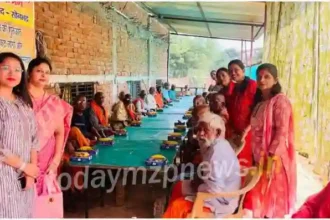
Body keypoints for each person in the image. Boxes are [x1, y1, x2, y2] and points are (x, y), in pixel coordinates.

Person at [163, 112, 241, 218]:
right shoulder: (215, 144)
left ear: (217, 132)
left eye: (205, 130)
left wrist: (198, 186)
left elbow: (215, 189)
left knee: (176, 206)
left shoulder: (217, 152)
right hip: (216, 192)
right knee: (178, 186)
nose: (200, 134)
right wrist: (198, 180)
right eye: (199, 130)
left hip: (220, 201)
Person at [248, 63, 296, 218]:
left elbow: (281, 133)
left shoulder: (280, 101)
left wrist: (270, 158)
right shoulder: (260, 102)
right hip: (258, 158)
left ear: (275, 80)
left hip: (273, 160)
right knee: (261, 200)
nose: (262, 79)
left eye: (267, 76)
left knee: (272, 205)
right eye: (259, 76)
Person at [0, 52, 39, 218]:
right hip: (3, 175)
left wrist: (31, 171)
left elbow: (33, 139)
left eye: (17, 69)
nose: (12, 73)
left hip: (24, 177)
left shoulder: (23, 102)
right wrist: (24, 166)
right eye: (6, 68)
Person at [27, 57, 73, 195]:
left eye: (47, 72)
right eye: (39, 71)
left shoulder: (54, 102)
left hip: (48, 156)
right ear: (29, 73)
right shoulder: (19, 98)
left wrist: (56, 159)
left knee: (45, 196)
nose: (43, 75)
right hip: (23, 155)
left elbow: (59, 132)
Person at [226, 59, 257, 168]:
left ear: (243, 70)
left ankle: (243, 184)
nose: (233, 73)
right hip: (236, 132)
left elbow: (256, 111)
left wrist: (245, 131)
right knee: (234, 161)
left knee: (244, 161)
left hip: (249, 131)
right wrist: (233, 131)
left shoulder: (252, 85)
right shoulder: (232, 87)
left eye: (236, 70)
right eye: (230, 71)